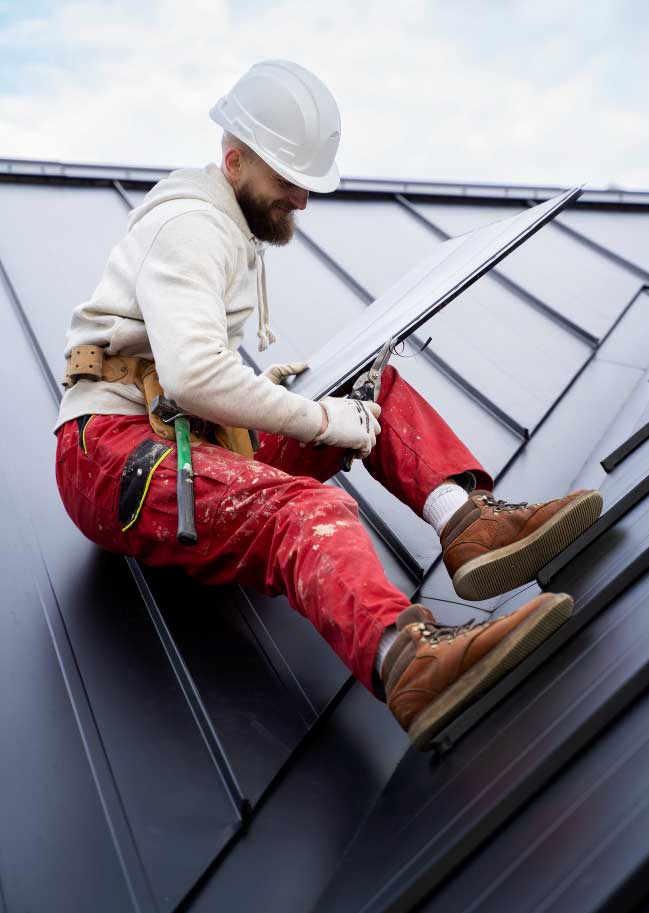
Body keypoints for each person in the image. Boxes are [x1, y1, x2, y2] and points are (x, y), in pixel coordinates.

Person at [53, 60, 603, 750]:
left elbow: (185, 377)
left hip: (175, 436)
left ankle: (465, 523)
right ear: (233, 162)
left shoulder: (224, 224)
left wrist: (299, 399)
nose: (303, 201)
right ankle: (409, 661)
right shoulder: (193, 227)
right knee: (303, 509)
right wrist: (316, 419)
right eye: (289, 181)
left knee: (367, 386)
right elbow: (194, 377)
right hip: (112, 455)